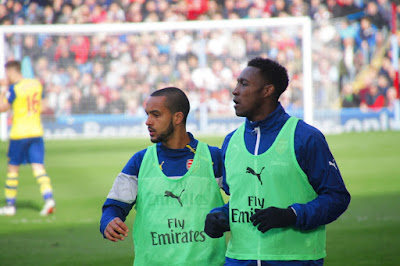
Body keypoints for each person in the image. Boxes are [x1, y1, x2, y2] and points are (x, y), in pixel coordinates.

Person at [204, 57, 351, 265]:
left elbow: (337, 197)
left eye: (244, 84)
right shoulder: (231, 141)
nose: (235, 91)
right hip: (238, 258)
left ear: (267, 91)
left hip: (295, 259)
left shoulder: (304, 137)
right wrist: (219, 216)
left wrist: (292, 215)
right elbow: (242, 200)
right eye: (237, 83)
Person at [100, 87, 226, 265]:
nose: (148, 122)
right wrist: (109, 221)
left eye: (156, 115)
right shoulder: (140, 161)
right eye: (147, 114)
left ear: (177, 117)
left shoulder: (212, 158)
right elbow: (113, 207)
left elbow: (242, 196)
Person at [0, 60, 55, 216]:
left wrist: (3, 92)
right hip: (36, 131)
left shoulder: (14, 88)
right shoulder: (36, 84)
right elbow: (44, 106)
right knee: (38, 167)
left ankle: (10, 206)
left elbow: (2, 108)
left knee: (12, 169)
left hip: (19, 133)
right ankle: (49, 199)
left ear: (11, 72)